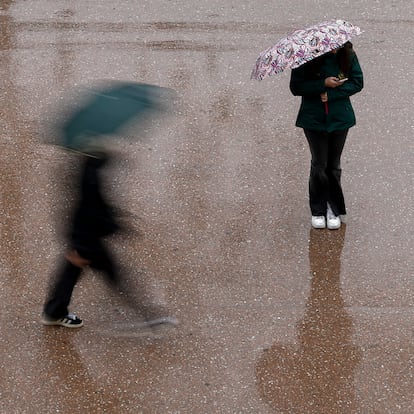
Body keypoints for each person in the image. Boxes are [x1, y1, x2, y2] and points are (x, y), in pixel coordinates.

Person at [42, 151, 177, 329]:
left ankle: (54, 312)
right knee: (113, 274)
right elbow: (91, 205)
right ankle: (149, 318)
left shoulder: (87, 165)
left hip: (84, 233)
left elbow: (90, 202)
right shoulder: (89, 173)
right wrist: (113, 226)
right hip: (87, 235)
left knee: (73, 270)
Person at [289, 41, 363, 229]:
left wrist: (333, 94)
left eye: (337, 46)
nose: (334, 50)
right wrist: (322, 84)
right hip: (313, 119)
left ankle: (334, 209)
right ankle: (318, 210)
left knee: (333, 165)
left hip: (340, 119)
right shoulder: (305, 57)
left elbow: (357, 82)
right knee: (319, 164)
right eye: (330, 47)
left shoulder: (349, 56)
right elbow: (296, 87)